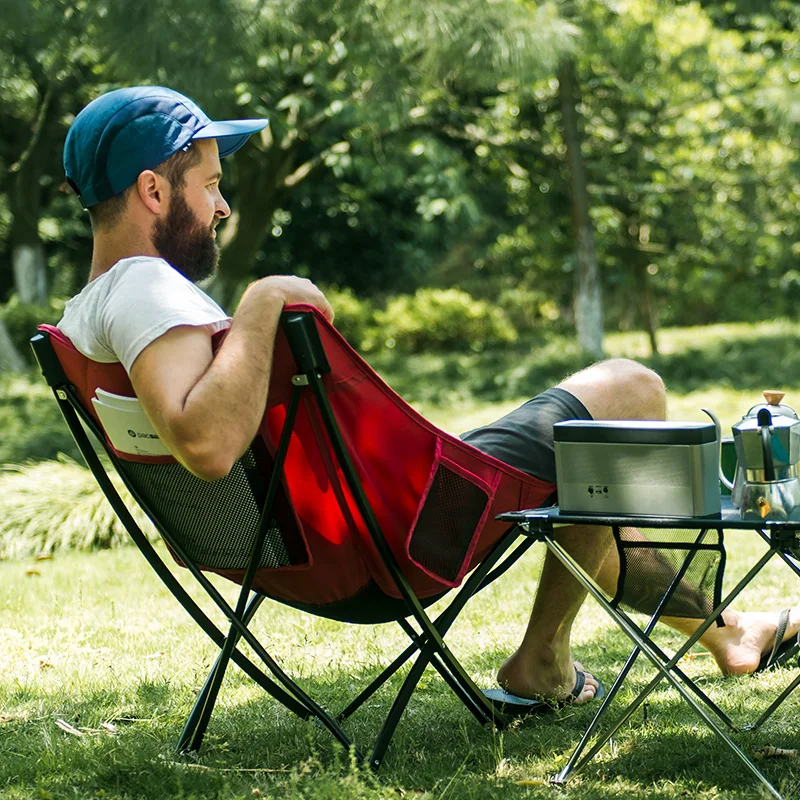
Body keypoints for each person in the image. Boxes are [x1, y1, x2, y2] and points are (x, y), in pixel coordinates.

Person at [58, 86, 800, 711]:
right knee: (629, 391)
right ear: (154, 190)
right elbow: (208, 445)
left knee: (593, 491)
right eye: (211, 184)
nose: (221, 208)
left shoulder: (87, 316)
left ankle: (728, 631)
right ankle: (555, 658)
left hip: (312, 550)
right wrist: (265, 298)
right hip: (406, 536)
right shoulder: (146, 287)